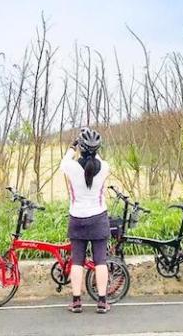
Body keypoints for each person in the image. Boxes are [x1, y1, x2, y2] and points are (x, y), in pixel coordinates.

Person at [60, 127, 111, 314]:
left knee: (77, 262)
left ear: (81, 148)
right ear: (98, 149)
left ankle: (76, 301)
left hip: (77, 218)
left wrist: (72, 147)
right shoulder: (105, 167)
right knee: (100, 261)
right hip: (98, 218)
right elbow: (96, 162)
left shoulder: (70, 167)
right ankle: (102, 301)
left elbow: (65, 161)